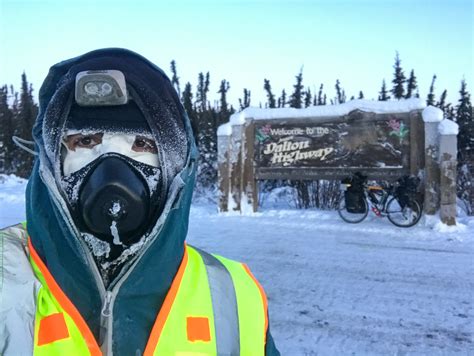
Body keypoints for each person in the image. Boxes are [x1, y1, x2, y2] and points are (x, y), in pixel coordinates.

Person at [0, 48, 279, 355]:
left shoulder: (233, 298)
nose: (111, 169)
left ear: (172, 165)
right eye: (86, 141)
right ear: (54, 163)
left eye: (142, 144)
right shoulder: (6, 278)